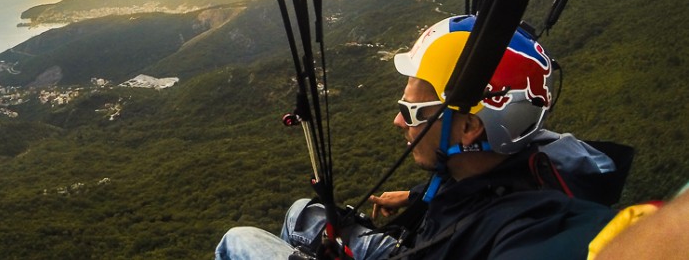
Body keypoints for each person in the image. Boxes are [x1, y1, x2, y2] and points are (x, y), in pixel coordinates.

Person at [216, 15, 621, 259]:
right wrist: (415, 197)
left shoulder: (534, 227)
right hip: (422, 245)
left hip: (422, 249)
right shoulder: (510, 160)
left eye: (412, 111)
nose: (398, 121)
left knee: (239, 240)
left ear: (469, 127)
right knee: (301, 213)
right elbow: (475, 194)